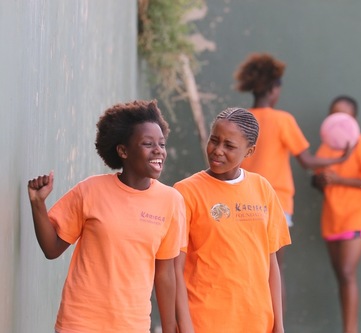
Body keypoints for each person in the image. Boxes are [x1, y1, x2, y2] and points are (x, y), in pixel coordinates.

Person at [27, 100, 185, 333]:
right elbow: (52, 249)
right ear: (123, 151)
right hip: (79, 322)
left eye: (161, 144)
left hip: (132, 326)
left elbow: (165, 275)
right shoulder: (90, 190)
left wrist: (170, 329)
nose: (158, 150)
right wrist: (37, 203)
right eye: (148, 143)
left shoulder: (171, 201)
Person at [234, 53, 350, 308]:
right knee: (275, 270)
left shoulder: (240, 119)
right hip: (276, 203)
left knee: (245, 269)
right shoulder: (283, 120)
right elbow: (307, 161)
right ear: (274, 89)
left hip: (240, 203)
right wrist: (341, 158)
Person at [174, 107, 290, 333]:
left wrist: (279, 325)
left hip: (257, 323)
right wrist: (185, 327)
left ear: (249, 151)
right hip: (204, 323)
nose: (217, 150)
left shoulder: (263, 189)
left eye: (229, 146)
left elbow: (271, 264)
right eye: (214, 140)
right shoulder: (185, 192)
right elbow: (174, 270)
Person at [312, 95, 361, 333]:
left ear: (354, 119)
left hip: (357, 217)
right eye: (333, 114)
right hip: (332, 220)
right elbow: (318, 182)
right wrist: (320, 180)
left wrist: (340, 179)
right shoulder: (326, 147)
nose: (337, 119)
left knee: (346, 271)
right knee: (341, 276)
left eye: (343, 115)